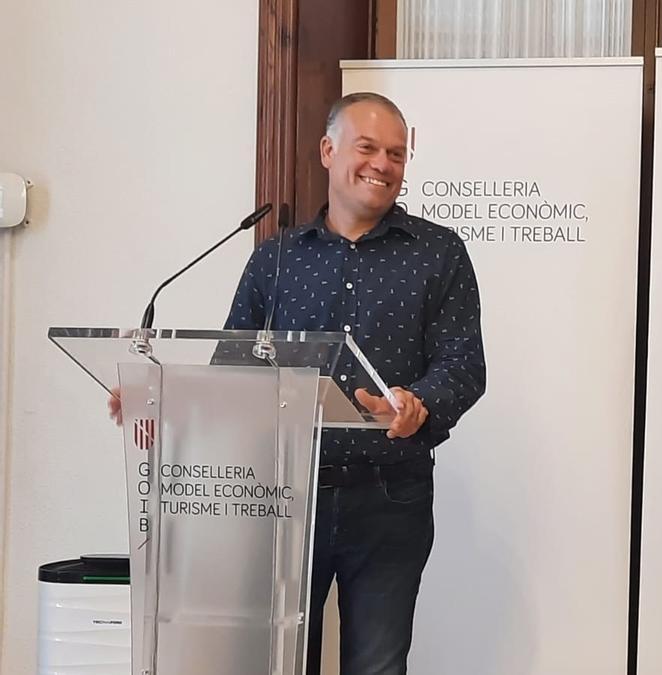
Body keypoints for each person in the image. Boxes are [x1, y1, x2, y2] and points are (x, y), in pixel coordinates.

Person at [111, 91, 486, 673]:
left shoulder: (438, 253)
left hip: (392, 496)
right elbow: (232, 372)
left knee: (378, 667)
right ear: (328, 150)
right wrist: (162, 403)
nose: (383, 164)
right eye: (368, 147)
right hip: (283, 497)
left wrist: (420, 403)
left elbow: (463, 365)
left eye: (396, 153)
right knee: (278, 663)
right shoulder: (277, 258)